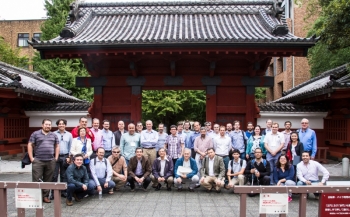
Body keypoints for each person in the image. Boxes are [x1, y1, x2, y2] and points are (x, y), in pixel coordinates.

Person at [28, 119, 59, 203]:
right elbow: (30, 145)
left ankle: (45, 196)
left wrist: (56, 158)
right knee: (36, 179)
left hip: (50, 160)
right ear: (42, 125)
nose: (48, 126)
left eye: (49, 125)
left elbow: (57, 146)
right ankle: (36, 196)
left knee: (48, 179)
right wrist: (31, 158)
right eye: (46, 124)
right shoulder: (35, 134)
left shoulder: (54, 135)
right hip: (38, 160)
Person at [51, 119, 73, 199]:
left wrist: (69, 157)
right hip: (56, 156)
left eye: (63, 124)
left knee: (64, 175)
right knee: (54, 175)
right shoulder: (53, 134)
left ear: (65, 125)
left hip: (65, 156)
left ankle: (63, 192)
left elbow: (71, 146)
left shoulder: (69, 135)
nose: (61, 125)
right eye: (59, 124)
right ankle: (53, 193)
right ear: (57, 125)